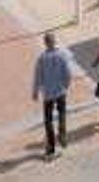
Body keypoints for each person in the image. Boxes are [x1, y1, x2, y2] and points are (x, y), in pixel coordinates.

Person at [32, 30, 74, 158]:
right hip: (60, 90)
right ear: (54, 41)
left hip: (48, 93)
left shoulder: (41, 58)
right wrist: (66, 85)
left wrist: (35, 91)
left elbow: (38, 76)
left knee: (48, 120)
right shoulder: (62, 55)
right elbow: (68, 73)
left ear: (45, 43)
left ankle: (51, 147)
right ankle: (62, 134)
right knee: (62, 113)